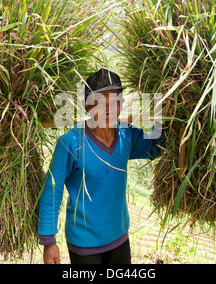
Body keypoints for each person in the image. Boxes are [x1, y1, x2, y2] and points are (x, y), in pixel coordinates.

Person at [37, 68, 164, 264]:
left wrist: (168, 115)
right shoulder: (70, 143)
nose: (108, 110)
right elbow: (51, 190)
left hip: (120, 238)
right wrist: (49, 241)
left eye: (115, 102)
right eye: (100, 102)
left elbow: (157, 147)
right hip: (84, 246)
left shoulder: (126, 135)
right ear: (87, 106)